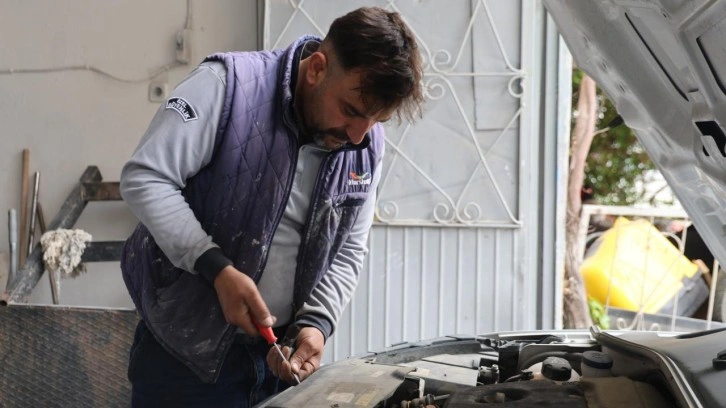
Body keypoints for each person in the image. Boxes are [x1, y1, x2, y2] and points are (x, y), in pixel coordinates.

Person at [119, 6, 423, 407]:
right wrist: (215, 269)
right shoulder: (226, 87)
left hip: (279, 364)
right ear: (317, 69)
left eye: (376, 120)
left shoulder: (365, 143)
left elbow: (349, 247)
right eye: (351, 111)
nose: (357, 136)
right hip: (182, 361)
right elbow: (146, 178)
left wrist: (317, 322)